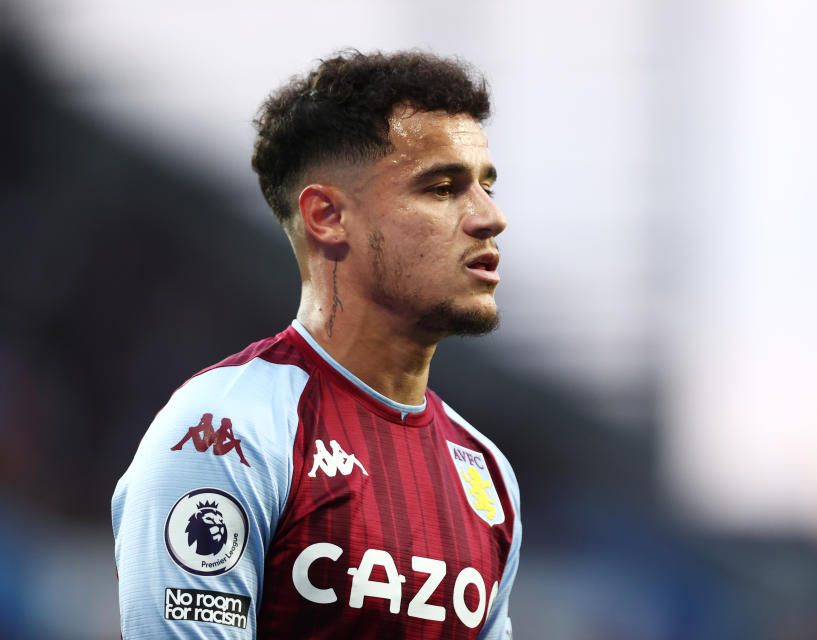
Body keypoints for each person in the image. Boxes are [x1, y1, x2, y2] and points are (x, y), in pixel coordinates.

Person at [111, 50, 520, 639]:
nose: (491, 217)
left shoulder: (487, 475)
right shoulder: (227, 431)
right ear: (327, 216)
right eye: (442, 188)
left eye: (485, 186)